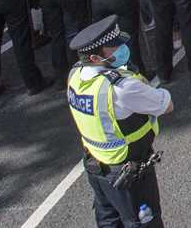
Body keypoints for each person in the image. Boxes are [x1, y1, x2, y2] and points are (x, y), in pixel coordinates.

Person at [67, 15, 173, 227]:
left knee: (109, 220)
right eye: (113, 48)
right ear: (96, 58)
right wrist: (138, 79)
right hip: (127, 170)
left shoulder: (76, 75)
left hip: (96, 165)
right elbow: (166, 104)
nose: (122, 48)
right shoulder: (121, 87)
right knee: (143, 222)